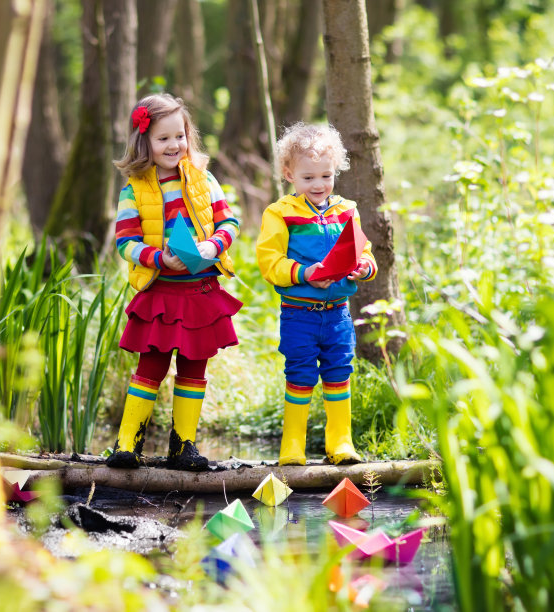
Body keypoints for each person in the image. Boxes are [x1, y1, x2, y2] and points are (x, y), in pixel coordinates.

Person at [106, 93, 242, 471]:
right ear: (144, 141)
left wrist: (213, 246)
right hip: (162, 292)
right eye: (163, 138)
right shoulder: (135, 188)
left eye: (179, 136)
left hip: (200, 292)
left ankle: (183, 445)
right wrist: (158, 257)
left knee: (195, 366)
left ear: (189, 136)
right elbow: (126, 242)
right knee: (151, 364)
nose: (173, 146)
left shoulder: (203, 179)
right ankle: (127, 444)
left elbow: (229, 223)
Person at [256, 123, 377, 466]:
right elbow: (270, 262)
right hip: (299, 314)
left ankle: (340, 443)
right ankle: (292, 446)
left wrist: (363, 267)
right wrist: (303, 272)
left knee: (340, 371)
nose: (319, 185)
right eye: (308, 178)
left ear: (335, 170)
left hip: (338, 313)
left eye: (326, 176)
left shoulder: (346, 210)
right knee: (300, 374)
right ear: (289, 174)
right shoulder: (280, 213)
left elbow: (364, 250)